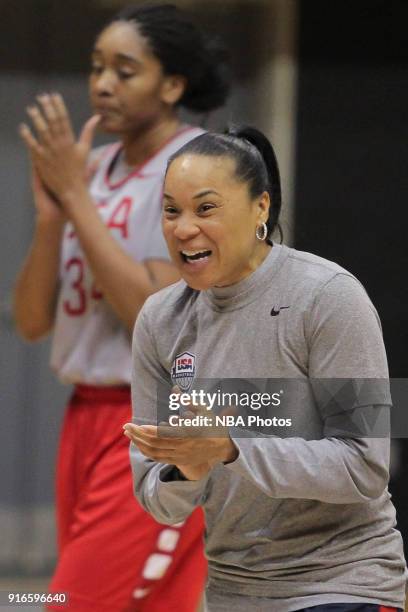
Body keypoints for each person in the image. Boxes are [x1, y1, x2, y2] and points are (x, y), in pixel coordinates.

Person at [124, 126, 407, 611]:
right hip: (236, 591)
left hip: (343, 582)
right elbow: (157, 498)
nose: (184, 227)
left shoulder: (330, 296)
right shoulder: (159, 319)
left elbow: (366, 466)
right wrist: (188, 472)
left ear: (261, 207)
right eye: (172, 210)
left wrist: (233, 447)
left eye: (205, 208)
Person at [14, 4, 229, 611]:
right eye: (96, 67)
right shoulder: (97, 168)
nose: (102, 84)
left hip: (158, 417)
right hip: (85, 413)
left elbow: (154, 319)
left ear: (172, 85)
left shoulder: (194, 168)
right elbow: (31, 322)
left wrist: (78, 198)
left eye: (125, 70)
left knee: (70, 601)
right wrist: (53, 217)